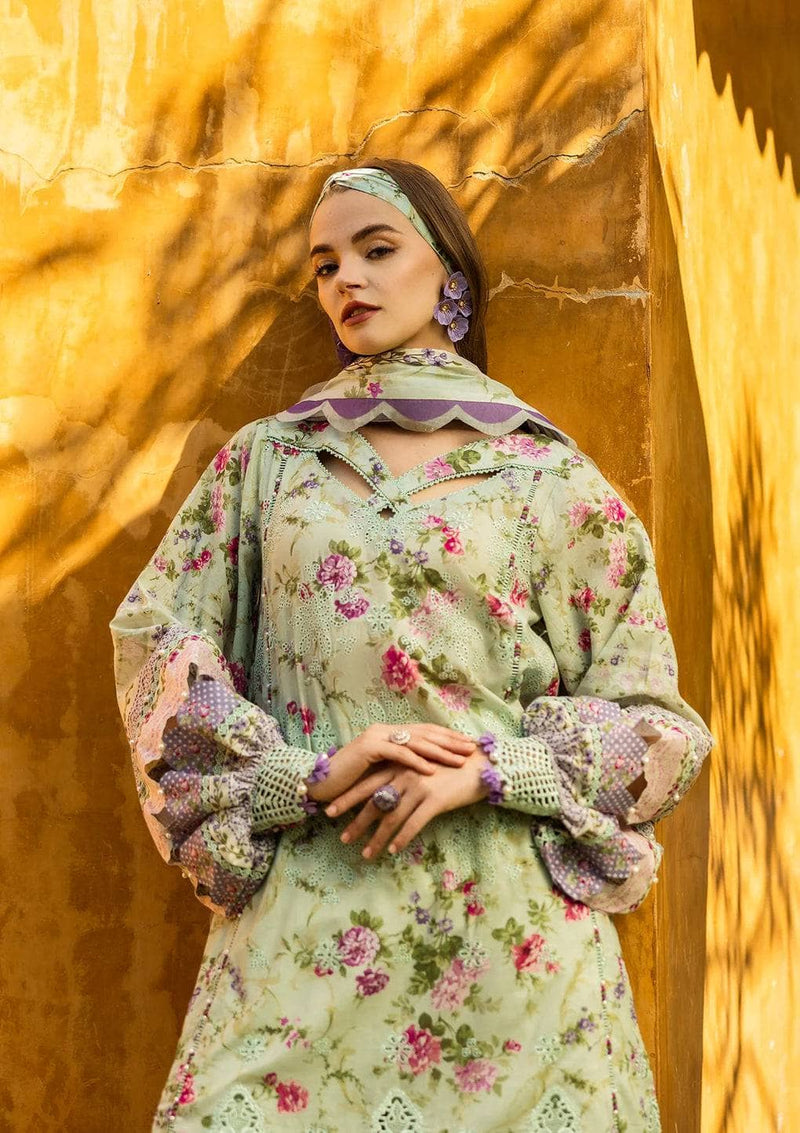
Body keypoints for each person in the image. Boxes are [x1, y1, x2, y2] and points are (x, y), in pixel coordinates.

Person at [110, 158, 714, 1133]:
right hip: (304, 933)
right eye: (324, 265)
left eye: (377, 249)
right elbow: (157, 648)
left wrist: (495, 767)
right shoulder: (268, 463)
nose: (345, 278)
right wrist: (301, 775)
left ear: (450, 276)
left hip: (514, 953)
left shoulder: (544, 474)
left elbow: (654, 727)